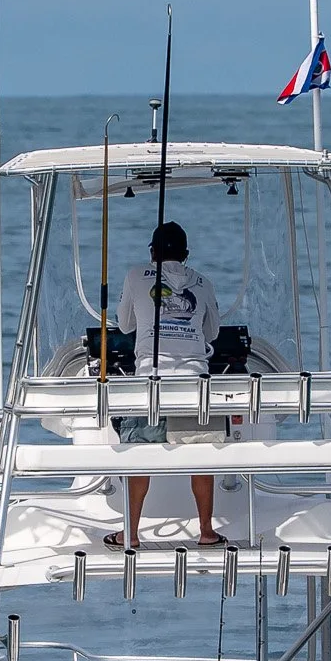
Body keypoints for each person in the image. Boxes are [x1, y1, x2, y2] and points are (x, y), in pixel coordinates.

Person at [105, 220, 224, 549]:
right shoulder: (204, 283)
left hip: (151, 381)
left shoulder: (134, 275)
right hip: (194, 383)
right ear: (186, 254)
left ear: (152, 252)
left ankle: (130, 533)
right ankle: (206, 530)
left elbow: (125, 324)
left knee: (139, 455)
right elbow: (212, 333)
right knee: (201, 456)